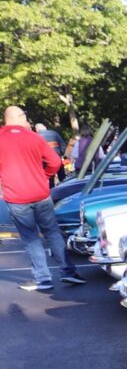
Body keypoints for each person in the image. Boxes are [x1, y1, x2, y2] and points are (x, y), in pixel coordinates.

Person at [0, 106, 84, 291]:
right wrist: (45, 176)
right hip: (40, 193)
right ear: (21, 117)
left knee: (30, 238)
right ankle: (68, 272)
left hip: (16, 197)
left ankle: (43, 278)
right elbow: (55, 162)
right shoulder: (34, 137)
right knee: (52, 232)